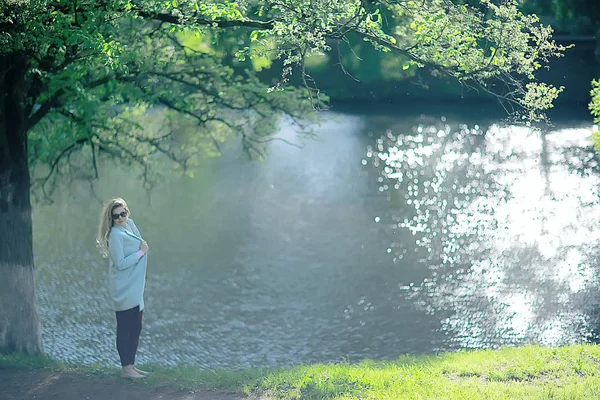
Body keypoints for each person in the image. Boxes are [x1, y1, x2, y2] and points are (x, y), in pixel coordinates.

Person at [96, 198, 150, 379]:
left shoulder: (131, 225)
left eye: (123, 213)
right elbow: (120, 263)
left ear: (127, 210)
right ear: (111, 218)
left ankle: (131, 365)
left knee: (137, 326)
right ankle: (125, 368)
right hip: (124, 286)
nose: (120, 218)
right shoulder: (115, 235)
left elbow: (140, 242)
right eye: (116, 216)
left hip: (135, 284)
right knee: (125, 326)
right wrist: (141, 252)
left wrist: (142, 252)